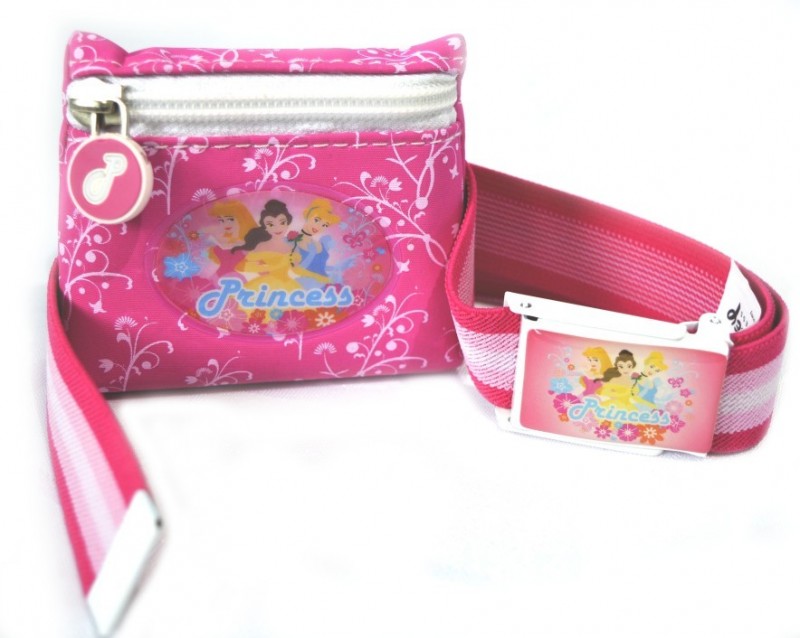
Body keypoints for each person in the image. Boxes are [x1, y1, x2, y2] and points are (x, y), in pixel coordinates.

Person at [290, 198, 342, 289]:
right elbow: (295, 269)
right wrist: (319, 277)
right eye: (317, 220)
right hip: (305, 286)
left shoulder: (319, 244)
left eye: (325, 225)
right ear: (307, 216)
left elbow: (320, 266)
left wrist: (336, 268)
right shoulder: (292, 241)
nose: (319, 226)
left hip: (325, 285)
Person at [202, 200, 257, 282]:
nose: (226, 224)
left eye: (230, 219)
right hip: (218, 279)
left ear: (241, 219)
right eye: (221, 220)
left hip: (241, 279)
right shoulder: (220, 243)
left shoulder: (251, 243)